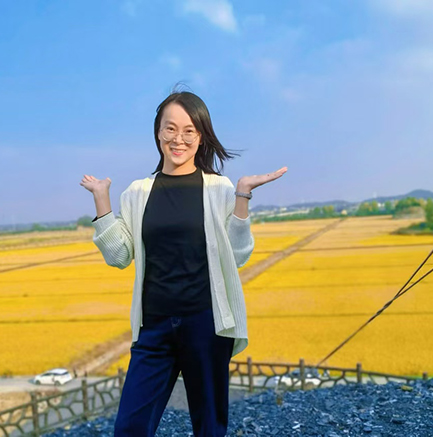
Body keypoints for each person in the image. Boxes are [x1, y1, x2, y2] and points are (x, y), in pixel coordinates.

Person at [80, 90, 287, 436]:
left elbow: (237, 255)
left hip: (206, 324)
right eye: (170, 129)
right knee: (130, 427)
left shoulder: (219, 189)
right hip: (153, 327)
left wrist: (242, 195)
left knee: (209, 428)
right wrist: (102, 200)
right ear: (158, 132)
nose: (179, 139)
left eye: (189, 130)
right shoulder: (137, 192)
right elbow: (119, 256)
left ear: (201, 136)